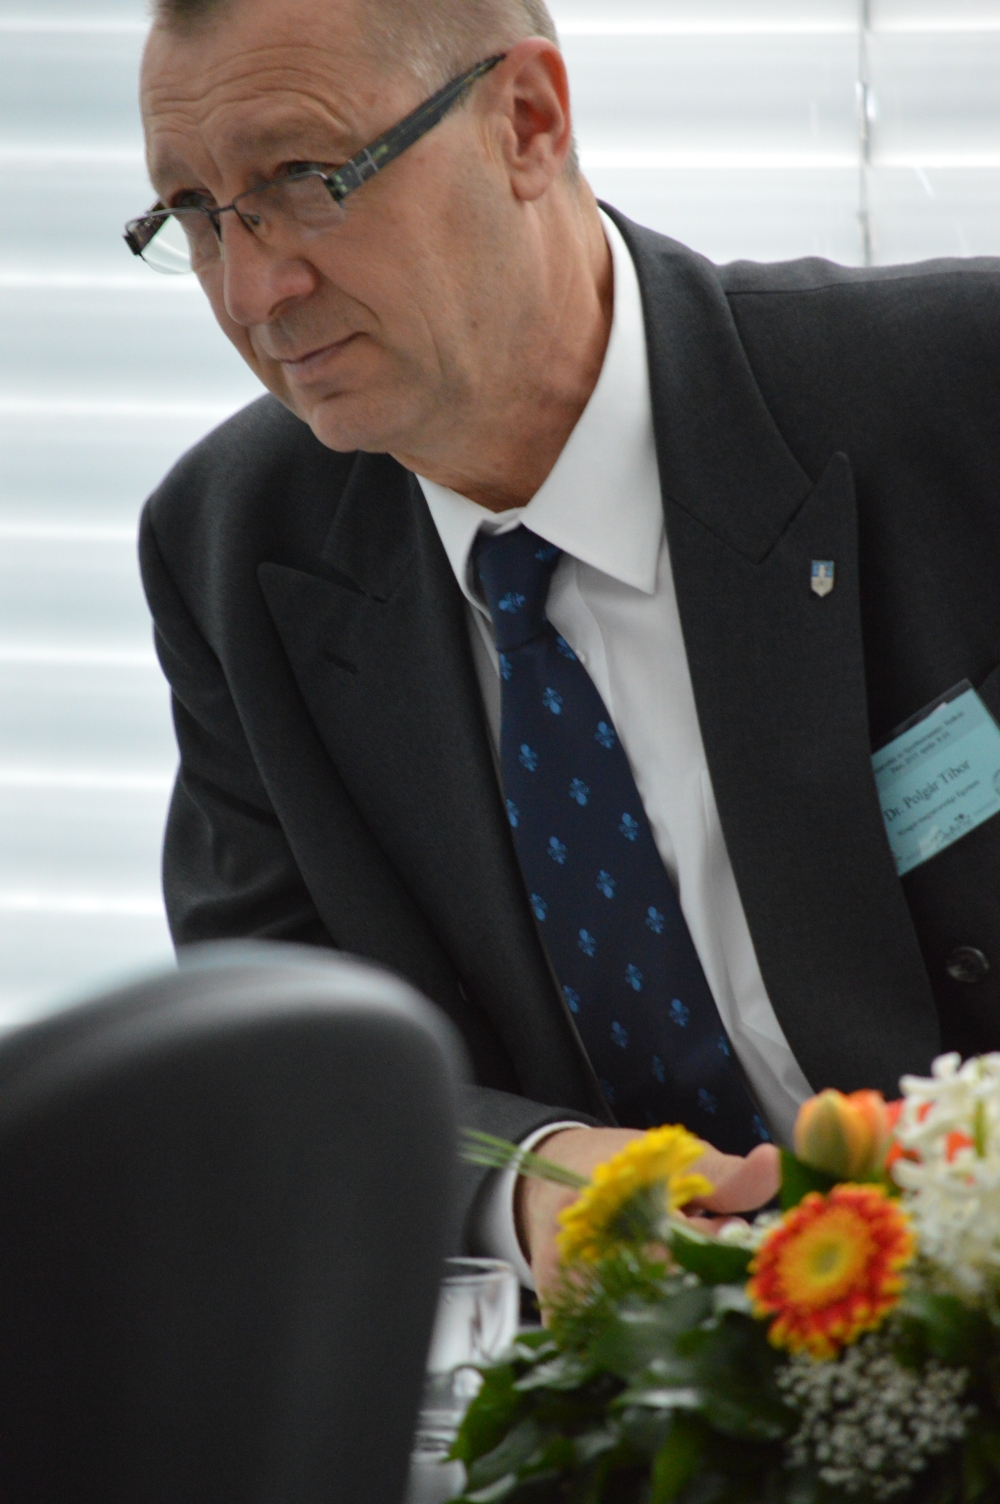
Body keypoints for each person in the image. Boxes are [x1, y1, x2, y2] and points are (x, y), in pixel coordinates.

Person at [134, 0, 1000, 1298]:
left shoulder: (957, 396)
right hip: (615, 1375)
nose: (253, 292)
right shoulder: (236, 545)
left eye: (304, 179)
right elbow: (274, 1052)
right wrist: (527, 1174)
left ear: (528, 123)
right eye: (197, 215)